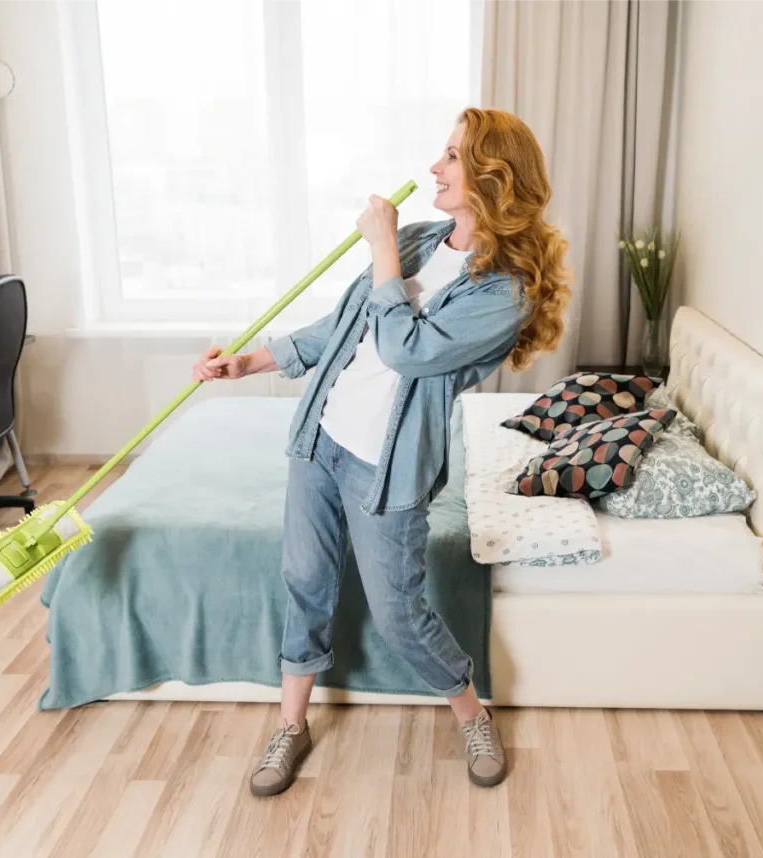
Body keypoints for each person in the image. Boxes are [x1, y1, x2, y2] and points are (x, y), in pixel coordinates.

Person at [193, 107, 571, 797]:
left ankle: (470, 713)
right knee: (304, 583)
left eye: (452, 156)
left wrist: (381, 252)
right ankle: (290, 727)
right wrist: (250, 363)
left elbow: (406, 350)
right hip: (321, 440)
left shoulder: (505, 294)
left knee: (399, 614)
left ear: (494, 176)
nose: (435, 167)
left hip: (386, 470)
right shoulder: (425, 240)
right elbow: (342, 328)